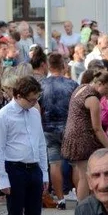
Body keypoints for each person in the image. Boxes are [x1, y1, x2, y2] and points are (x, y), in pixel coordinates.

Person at [0, 76, 48, 215]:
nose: (34, 103)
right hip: (14, 169)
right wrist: (3, 178)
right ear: (18, 96)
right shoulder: (4, 115)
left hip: (33, 169)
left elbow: (40, 143)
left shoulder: (33, 113)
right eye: (31, 99)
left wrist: (44, 172)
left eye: (36, 99)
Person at [61, 71, 108, 201]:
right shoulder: (93, 99)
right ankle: (83, 207)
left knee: (82, 172)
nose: (107, 93)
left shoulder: (82, 88)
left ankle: (86, 204)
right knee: (85, 177)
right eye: (107, 89)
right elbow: (97, 128)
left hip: (72, 137)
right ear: (100, 84)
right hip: (83, 140)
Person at [40, 53, 78, 205]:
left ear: (49, 66)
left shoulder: (42, 85)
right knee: (76, 163)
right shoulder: (72, 84)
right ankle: (79, 196)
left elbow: (39, 107)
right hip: (68, 127)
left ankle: (60, 198)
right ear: (63, 65)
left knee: (54, 163)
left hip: (48, 128)